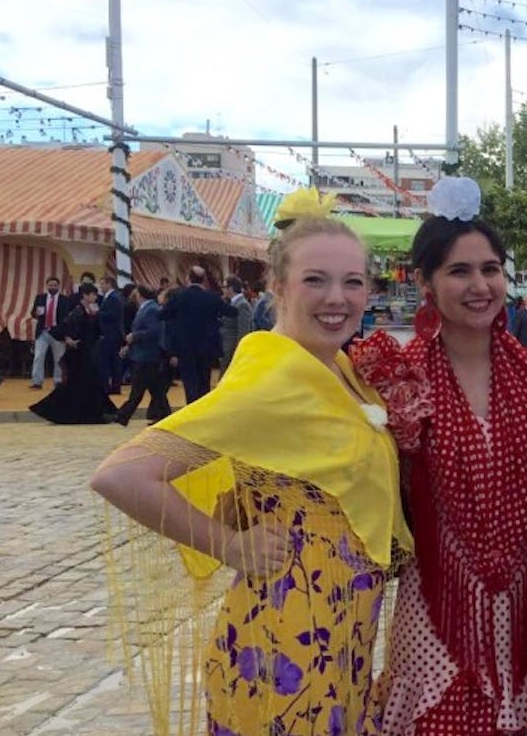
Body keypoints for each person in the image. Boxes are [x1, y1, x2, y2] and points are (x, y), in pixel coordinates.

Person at [89, 204, 413, 734]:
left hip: (339, 636)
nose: (338, 298)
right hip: (286, 644)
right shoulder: (273, 378)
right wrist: (228, 545)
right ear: (278, 286)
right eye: (316, 280)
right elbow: (121, 475)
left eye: (353, 281)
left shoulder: (335, 367)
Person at [369, 176, 527, 735]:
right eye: (459, 271)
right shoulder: (397, 379)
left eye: (491, 269)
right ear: (427, 283)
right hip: (436, 603)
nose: (480, 285)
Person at [29, 282, 117, 424]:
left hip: (88, 352)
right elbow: (62, 328)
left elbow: (95, 330)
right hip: (78, 355)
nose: (95, 297)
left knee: (89, 384)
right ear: (85, 296)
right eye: (93, 294)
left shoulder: (91, 311)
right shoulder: (77, 311)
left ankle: (100, 411)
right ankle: (58, 411)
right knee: (76, 385)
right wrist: (67, 338)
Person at [161, 266, 234, 403]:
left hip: (185, 347)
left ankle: (191, 410)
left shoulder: (179, 296)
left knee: (190, 384)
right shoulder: (212, 297)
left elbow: (163, 315)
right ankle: (202, 411)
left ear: (188, 278)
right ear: (204, 280)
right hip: (207, 348)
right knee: (204, 383)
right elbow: (231, 312)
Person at [115, 285, 173, 426]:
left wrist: (135, 336)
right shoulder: (145, 309)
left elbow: (153, 332)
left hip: (147, 355)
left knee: (139, 389)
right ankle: (165, 415)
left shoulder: (151, 309)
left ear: (140, 294)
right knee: (156, 389)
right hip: (142, 354)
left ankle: (123, 415)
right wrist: (129, 347)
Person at [29, 275, 73, 389]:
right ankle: (37, 382)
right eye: (50, 285)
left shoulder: (65, 299)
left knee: (58, 358)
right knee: (38, 356)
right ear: (47, 286)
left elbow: (67, 318)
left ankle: (58, 381)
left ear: (58, 286)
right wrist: (36, 313)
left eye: (54, 285)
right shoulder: (40, 297)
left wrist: (64, 333)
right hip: (42, 331)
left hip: (58, 333)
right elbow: (33, 313)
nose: (52, 287)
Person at [218, 275, 255, 370]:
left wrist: (238, 350)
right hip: (227, 347)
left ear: (231, 288)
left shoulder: (242, 305)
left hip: (232, 348)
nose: (223, 290)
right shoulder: (230, 302)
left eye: (224, 287)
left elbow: (243, 330)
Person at [97, 276, 126, 394]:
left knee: (111, 361)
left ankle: (112, 386)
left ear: (109, 284)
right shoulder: (111, 297)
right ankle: (114, 386)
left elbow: (113, 315)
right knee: (114, 361)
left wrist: (98, 313)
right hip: (113, 334)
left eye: (102, 284)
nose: (101, 287)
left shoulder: (113, 298)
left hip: (111, 334)